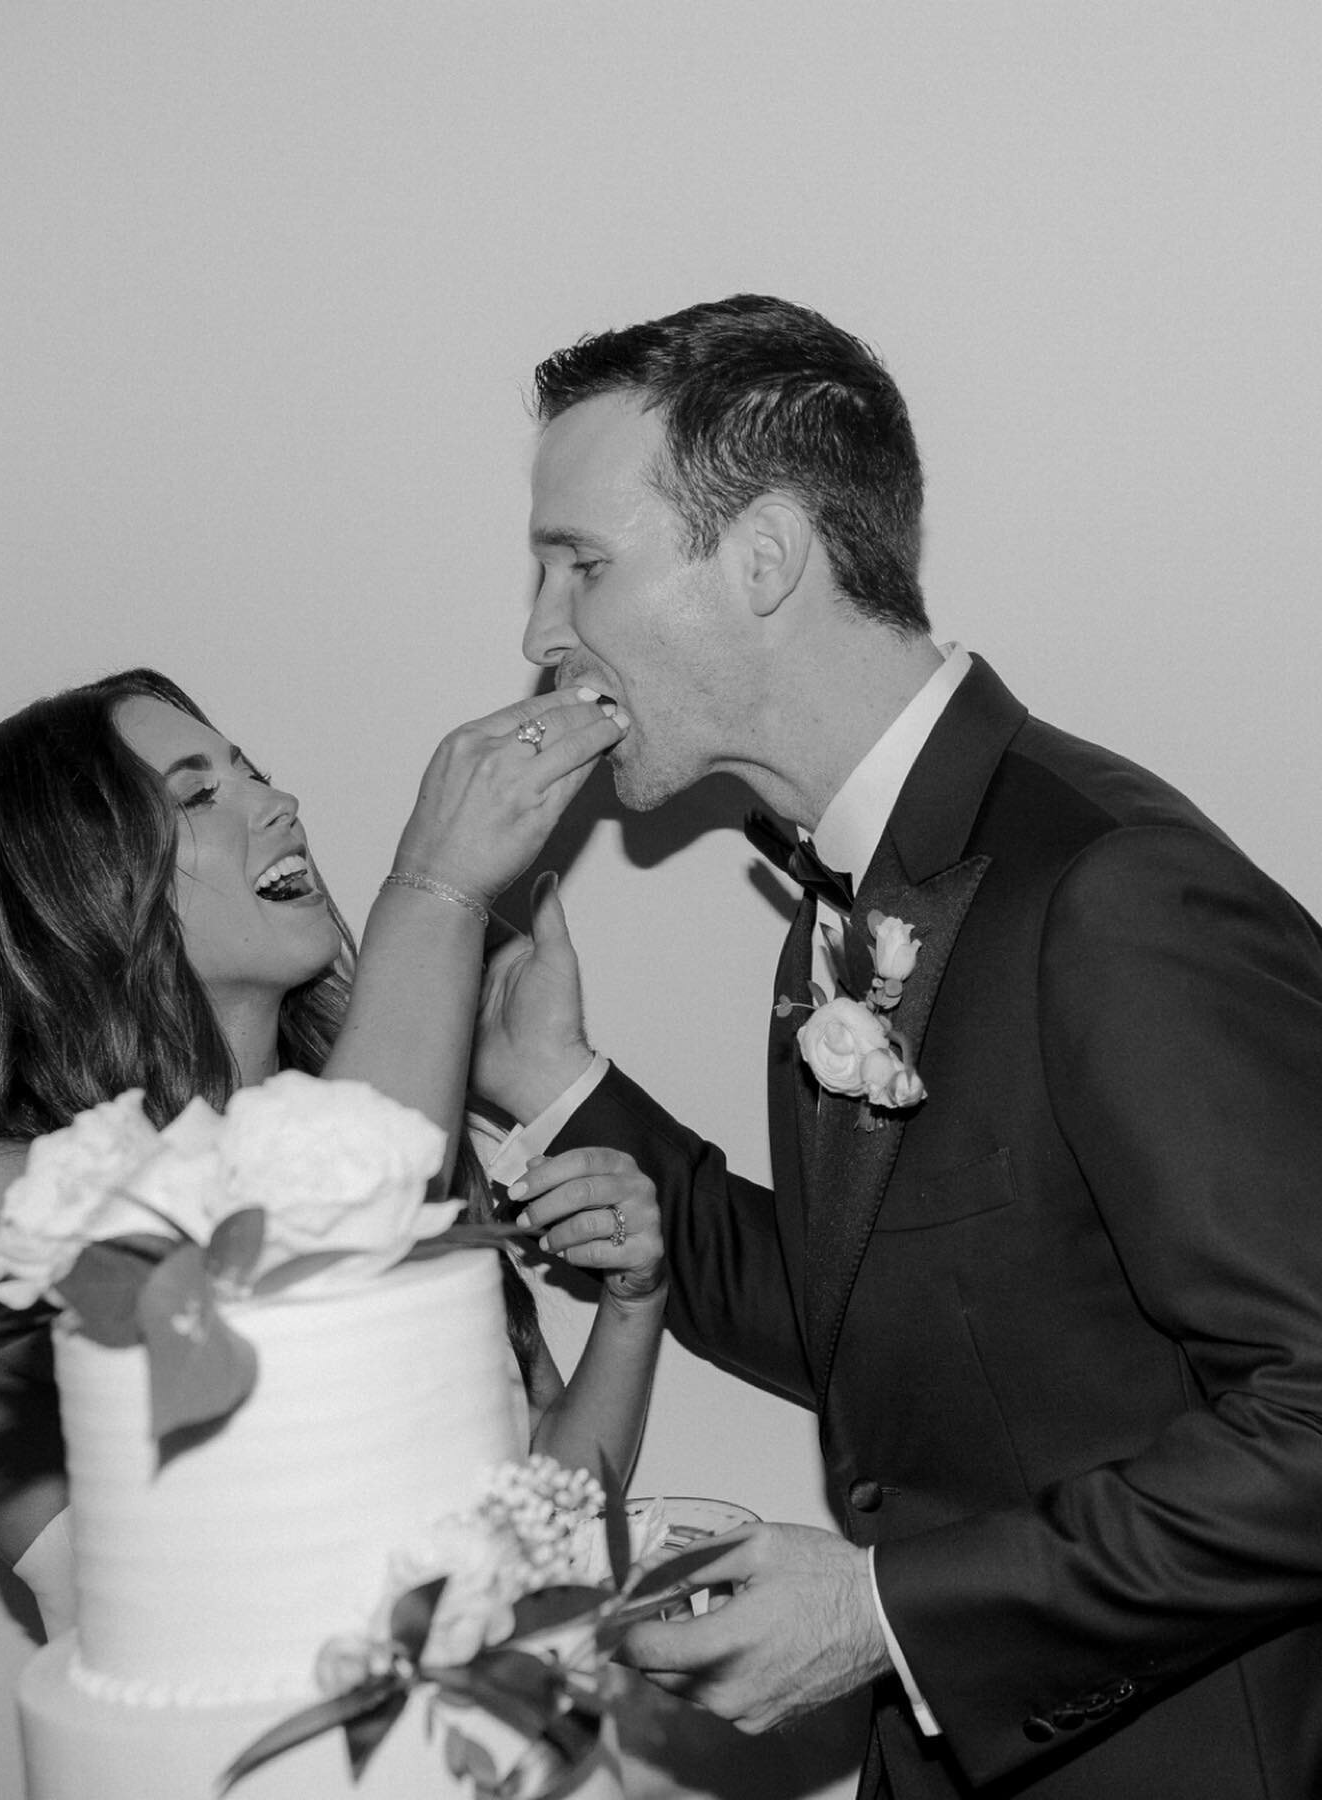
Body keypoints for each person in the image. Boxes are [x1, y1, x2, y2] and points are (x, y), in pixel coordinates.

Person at [471, 294, 1322, 1799]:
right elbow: (876, 1317)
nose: (543, 632)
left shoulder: (1111, 893)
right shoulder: (864, 882)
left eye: (581, 565)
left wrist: (884, 1617)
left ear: (766, 560)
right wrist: (561, 1089)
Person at [0, 667, 666, 1640]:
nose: (278, 802)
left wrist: (633, 1306)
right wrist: (437, 892)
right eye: (199, 794)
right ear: (72, 895)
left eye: (254, 772)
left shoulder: (400, 1136)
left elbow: (534, 1507)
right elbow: (299, 1254)